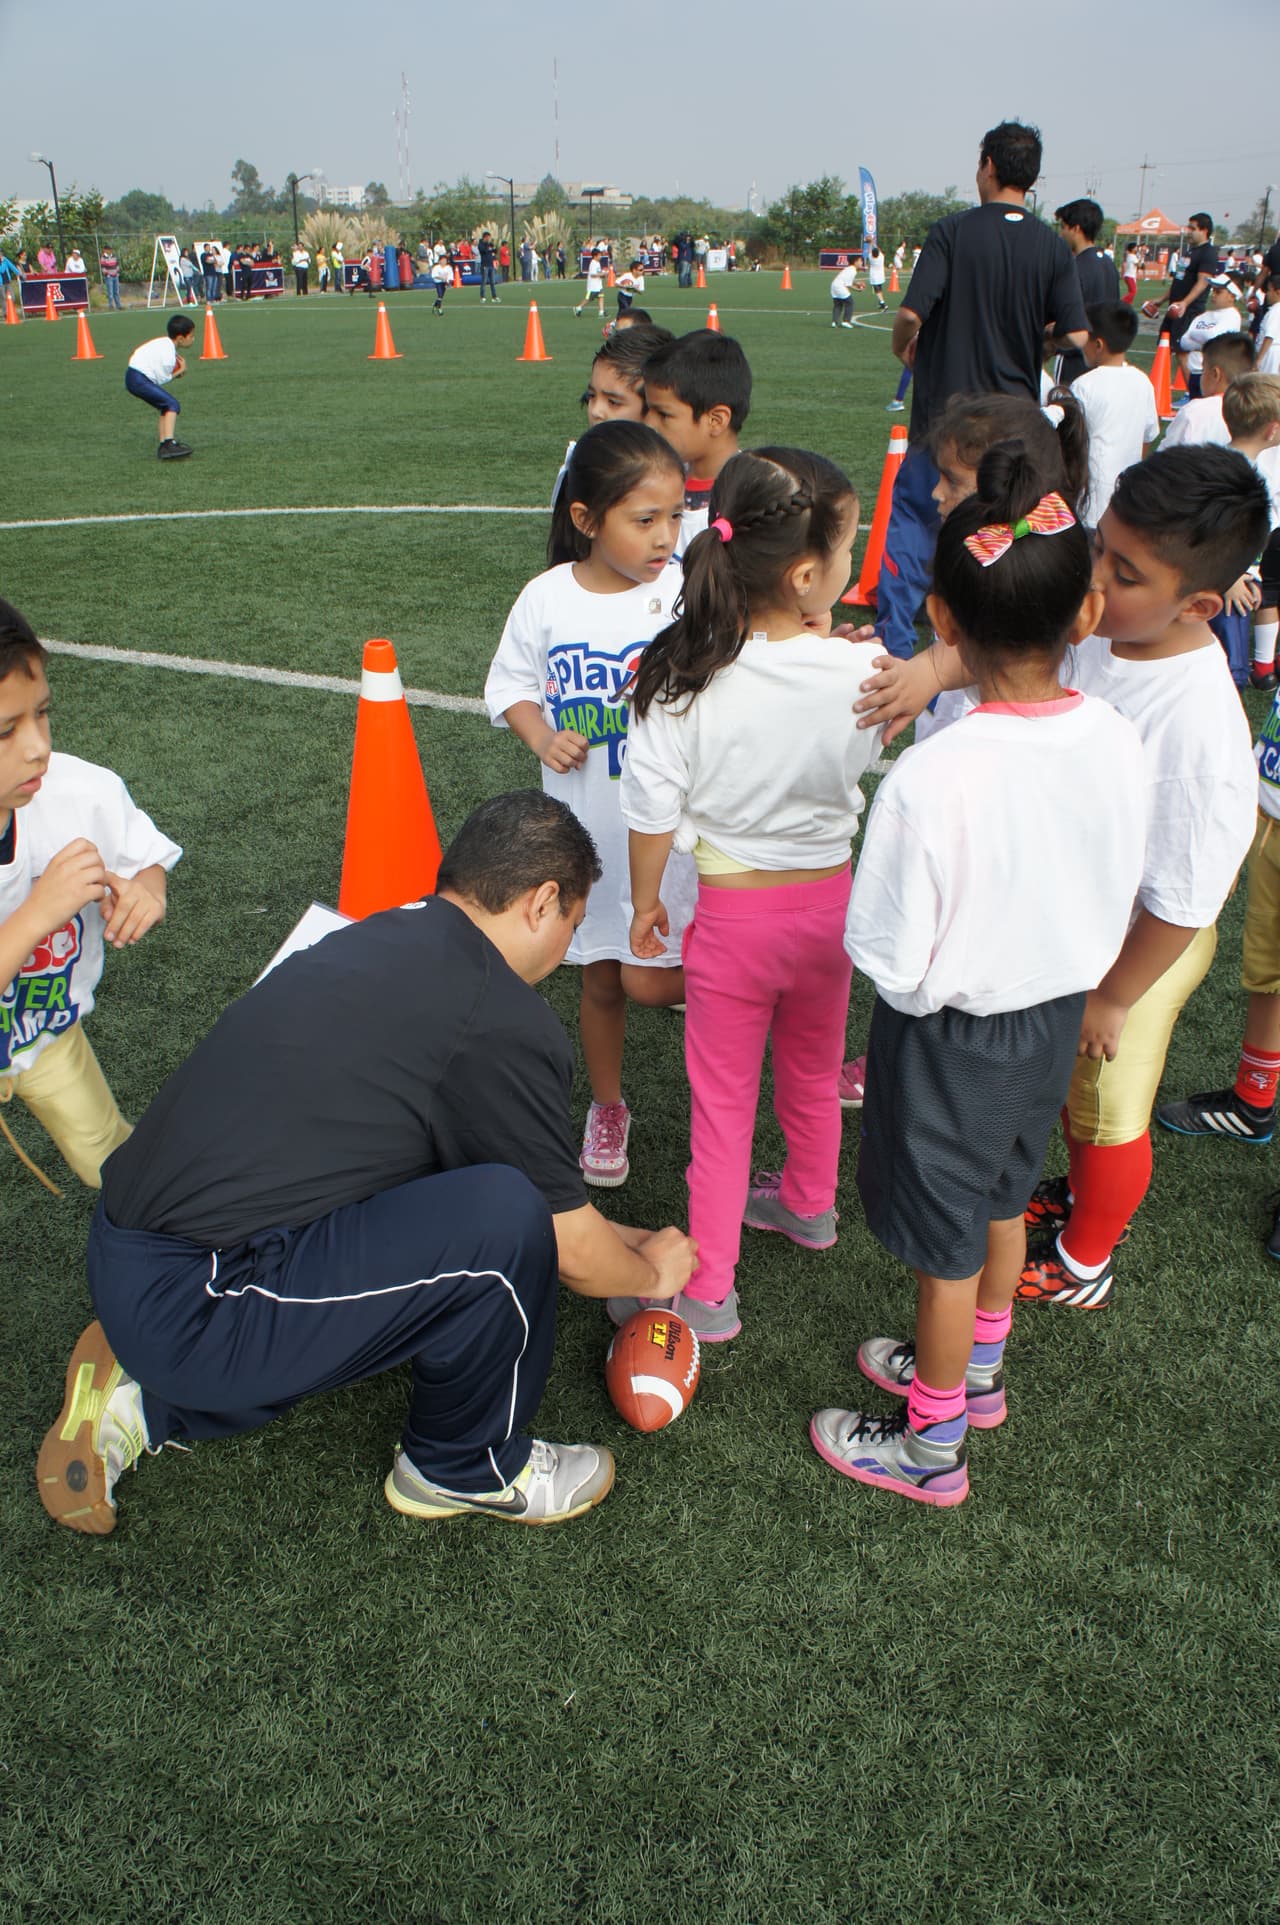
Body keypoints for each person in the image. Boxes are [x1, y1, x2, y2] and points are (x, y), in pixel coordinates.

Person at [36, 790, 700, 1538]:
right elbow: (565, 1248)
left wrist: (618, 1232)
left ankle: (142, 1384)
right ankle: (462, 1464)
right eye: (574, 924)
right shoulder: (498, 1015)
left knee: (472, 1190)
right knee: (503, 1219)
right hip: (198, 1300)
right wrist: (653, 1275)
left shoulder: (381, 932)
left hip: (136, 1242)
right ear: (544, 902)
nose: (567, 948)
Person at [812, 446, 1146, 1507]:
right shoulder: (1114, 734)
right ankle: (979, 1374)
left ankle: (929, 1441)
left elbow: (890, 956)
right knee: (1002, 1194)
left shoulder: (935, 772)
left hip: (953, 1032)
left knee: (943, 1245)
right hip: (1048, 1015)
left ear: (943, 627)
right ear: (1083, 615)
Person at [617, 449, 884, 1341]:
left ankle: (711, 1290)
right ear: (808, 574)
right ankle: (809, 1204)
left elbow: (652, 810)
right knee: (813, 1071)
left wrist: (646, 901)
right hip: (829, 913)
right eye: (852, 548)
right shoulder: (863, 670)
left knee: (722, 1107)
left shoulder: (680, 677)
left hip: (733, 921)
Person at [1011, 448, 1267, 1307]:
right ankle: (1082, 1194)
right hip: (1086, 923)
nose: (1094, 577)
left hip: (1143, 947)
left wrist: (1116, 994)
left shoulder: (1198, 727)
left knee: (1109, 1105)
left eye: (1124, 572)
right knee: (1071, 1093)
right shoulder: (1114, 628)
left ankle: (1085, 1259)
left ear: (1197, 605)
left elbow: (1187, 898)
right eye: (1097, 548)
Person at [485, 424, 694, 1188]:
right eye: (645, 520)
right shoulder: (547, 599)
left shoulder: (684, 589)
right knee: (602, 976)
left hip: (674, 837)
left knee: (674, 970)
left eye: (676, 515)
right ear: (585, 518)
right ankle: (608, 1105)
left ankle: (722, 1094)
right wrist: (542, 735)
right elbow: (508, 684)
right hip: (589, 831)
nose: (665, 536)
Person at [876, 121, 1088, 660]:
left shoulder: (952, 231)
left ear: (987, 165)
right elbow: (1078, 334)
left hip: (943, 418)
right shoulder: (1050, 245)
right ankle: (978, 644)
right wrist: (1037, 342)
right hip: (1014, 427)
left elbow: (908, 314)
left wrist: (905, 347)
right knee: (999, 534)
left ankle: (897, 644)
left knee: (916, 521)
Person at [0, 600, 181, 1194]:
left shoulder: (78, 791)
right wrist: (36, 914)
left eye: (42, 714)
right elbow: (35, 917)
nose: (37, 748)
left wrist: (146, 893)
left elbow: (143, 857)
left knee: (111, 1159)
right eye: (6, 730)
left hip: (41, 1033)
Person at [641, 330, 753, 555]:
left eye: (663, 414)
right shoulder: (648, 478)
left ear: (716, 420)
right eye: (647, 410)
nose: (648, 423)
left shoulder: (753, 501)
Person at [1208, 374, 1280, 689]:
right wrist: (1233, 576)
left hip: (1232, 577)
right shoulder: (1245, 476)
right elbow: (1217, 530)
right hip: (1225, 583)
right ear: (1272, 429)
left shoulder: (1220, 459)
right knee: (1228, 665)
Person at [1072, 300, 1160, 529]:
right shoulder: (1143, 381)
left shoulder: (1084, 385)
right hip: (1126, 495)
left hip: (1091, 498)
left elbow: (1072, 443)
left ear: (1098, 344)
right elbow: (1148, 437)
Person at [1052, 198, 1120, 384]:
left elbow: (1063, 317)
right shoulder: (1108, 264)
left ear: (1076, 228)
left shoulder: (1075, 267)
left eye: (1063, 227)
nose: (1061, 233)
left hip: (1075, 358)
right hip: (1103, 359)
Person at [1159, 330, 1254, 450]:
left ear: (1215, 374)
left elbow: (1165, 457)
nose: (1201, 376)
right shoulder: (1262, 411)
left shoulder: (1195, 411)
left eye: (1203, 370)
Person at [125, 313, 196, 461]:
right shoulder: (169, 355)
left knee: (165, 406)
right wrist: (179, 372)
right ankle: (169, 443)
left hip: (133, 375)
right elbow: (161, 379)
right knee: (172, 404)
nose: (193, 339)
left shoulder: (164, 342)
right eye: (191, 335)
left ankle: (164, 444)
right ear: (181, 338)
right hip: (138, 379)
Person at [1144, 213, 1219, 351]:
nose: (1188, 232)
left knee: (1182, 352)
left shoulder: (1208, 253)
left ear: (1204, 230)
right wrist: (1161, 300)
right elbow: (1178, 281)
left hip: (1189, 310)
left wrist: (1185, 303)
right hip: (1175, 308)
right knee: (1164, 346)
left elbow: (1203, 282)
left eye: (1192, 228)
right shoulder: (1189, 251)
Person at [1176, 274, 1242, 398]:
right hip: (1195, 372)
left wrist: (1196, 340)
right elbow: (1184, 341)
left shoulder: (1232, 315)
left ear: (1231, 296)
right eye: (1213, 291)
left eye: (1218, 292)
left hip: (1214, 376)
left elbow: (1212, 337)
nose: (1213, 294)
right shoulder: (1204, 315)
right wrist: (1204, 344)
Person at [574, 250, 606, 320]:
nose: (600, 256)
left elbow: (598, 272)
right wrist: (602, 274)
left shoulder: (598, 263)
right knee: (588, 299)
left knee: (601, 297)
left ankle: (601, 312)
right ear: (595, 256)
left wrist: (603, 273)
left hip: (599, 285)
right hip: (593, 286)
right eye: (599, 255)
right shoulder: (593, 263)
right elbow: (593, 274)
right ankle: (578, 308)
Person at [830, 260, 858, 328]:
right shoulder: (853, 270)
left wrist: (857, 283)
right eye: (860, 261)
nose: (861, 263)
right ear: (855, 262)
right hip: (840, 286)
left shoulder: (848, 268)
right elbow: (848, 284)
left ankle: (834, 322)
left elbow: (847, 280)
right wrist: (858, 289)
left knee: (838, 305)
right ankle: (846, 321)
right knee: (850, 302)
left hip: (833, 285)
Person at [477, 232, 500, 303]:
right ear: (485, 237)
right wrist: (488, 246)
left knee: (492, 282)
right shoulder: (481, 244)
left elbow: (495, 251)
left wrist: (493, 246)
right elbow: (484, 251)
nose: (489, 239)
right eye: (488, 237)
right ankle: (482, 297)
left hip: (491, 265)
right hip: (485, 265)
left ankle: (494, 296)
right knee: (484, 282)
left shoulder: (490, 244)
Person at [100, 246, 123, 311]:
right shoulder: (103, 258)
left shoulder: (114, 256)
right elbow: (103, 267)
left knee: (116, 291)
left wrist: (117, 272)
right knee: (110, 292)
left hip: (115, 276)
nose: (109, 251)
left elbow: (117, 265)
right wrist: (107, 274)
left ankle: (118, 305)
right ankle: (111, 305)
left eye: (110, 250)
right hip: (109, 277)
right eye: (107, 250)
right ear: (105, 250)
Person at [866, 245, 887, 311]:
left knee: (877, 290)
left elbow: (869, 251)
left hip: (874, 276)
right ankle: (881, 303)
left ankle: (883, 303)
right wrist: (873, 243)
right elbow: (879, 250)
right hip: (881, 275)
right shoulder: (881, 257)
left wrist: (870, 243)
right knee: (879, 289)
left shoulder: (871, 258)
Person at [430, 251, 452, 315]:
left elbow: (450, 276)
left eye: (445, 260)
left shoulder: (448, 268)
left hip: (444, 283)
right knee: (439, 295)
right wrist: (441, 278)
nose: (444, 262)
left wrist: (447, 282)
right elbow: (434, 276)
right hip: (438, 282)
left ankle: (435, 304)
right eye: (442, 260)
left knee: (441, 297)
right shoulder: (436, 267)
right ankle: (439, 309)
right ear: (439, 261)